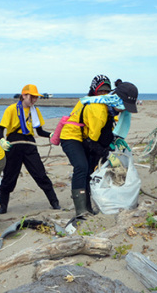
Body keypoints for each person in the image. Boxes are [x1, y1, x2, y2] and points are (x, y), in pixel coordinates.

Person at [0, 84, 60, 215]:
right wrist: (2, 140)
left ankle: (54, 202)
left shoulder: (34, 111)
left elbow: (40, 131)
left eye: (36, 97)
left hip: (29, 142)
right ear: (24, 95)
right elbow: (0, 128)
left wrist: (51, 135)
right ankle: (3, 206)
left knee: (40, 173)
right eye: (33, 97)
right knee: (9, 176)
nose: (34, 100)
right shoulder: (11, 109)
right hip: (14, 142)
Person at [59, 75, 117, 217]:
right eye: (100, 90)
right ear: (94, 90)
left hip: (82, 137)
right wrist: (103, 151)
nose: (103, 94)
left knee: (88, 172)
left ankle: (88, 208)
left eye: (106, 91)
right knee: (81, 167)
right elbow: (93, 137)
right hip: (70, 136)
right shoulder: (95, 106)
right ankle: (80, 210)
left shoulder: (98, 103)